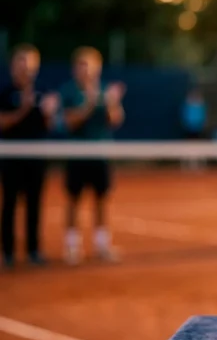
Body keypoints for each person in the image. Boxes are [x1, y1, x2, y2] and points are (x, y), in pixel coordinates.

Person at [60, 46, 125, 264]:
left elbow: (115, 119)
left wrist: (111, 102)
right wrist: (89, 103)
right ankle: (71, 247)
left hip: (100, 154)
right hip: (76, 154)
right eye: (81, 65)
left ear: (97, 69)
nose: (86, 70)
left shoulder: (105, 89)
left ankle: (102, 245)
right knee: (73, 200)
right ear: (75, 69)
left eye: (90, 66)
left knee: (101, 200)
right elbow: (70, 121)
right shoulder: (69, 91)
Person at [0, 44, 58, 269]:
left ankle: (34, 250)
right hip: (11, 156)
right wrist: (23, 109)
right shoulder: (5, 92)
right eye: (20, 61)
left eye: (29, 62)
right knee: (10, 204)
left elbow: (50, 125)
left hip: (37, 157)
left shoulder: (43, 91)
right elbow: (2, 122)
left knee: (35, 204)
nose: (25, 67)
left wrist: (48, 113)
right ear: (13, 65)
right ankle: (7, 252)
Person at [181, 87, 207, 171]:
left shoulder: (201, 105)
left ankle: (197, 162)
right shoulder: (187, 105)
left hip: (198, 129)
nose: (194, 96)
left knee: (198, 145)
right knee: (189, 145)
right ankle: (188, 162)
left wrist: (201, 125)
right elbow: (185, 116)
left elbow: (203, 117)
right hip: (189, 128)